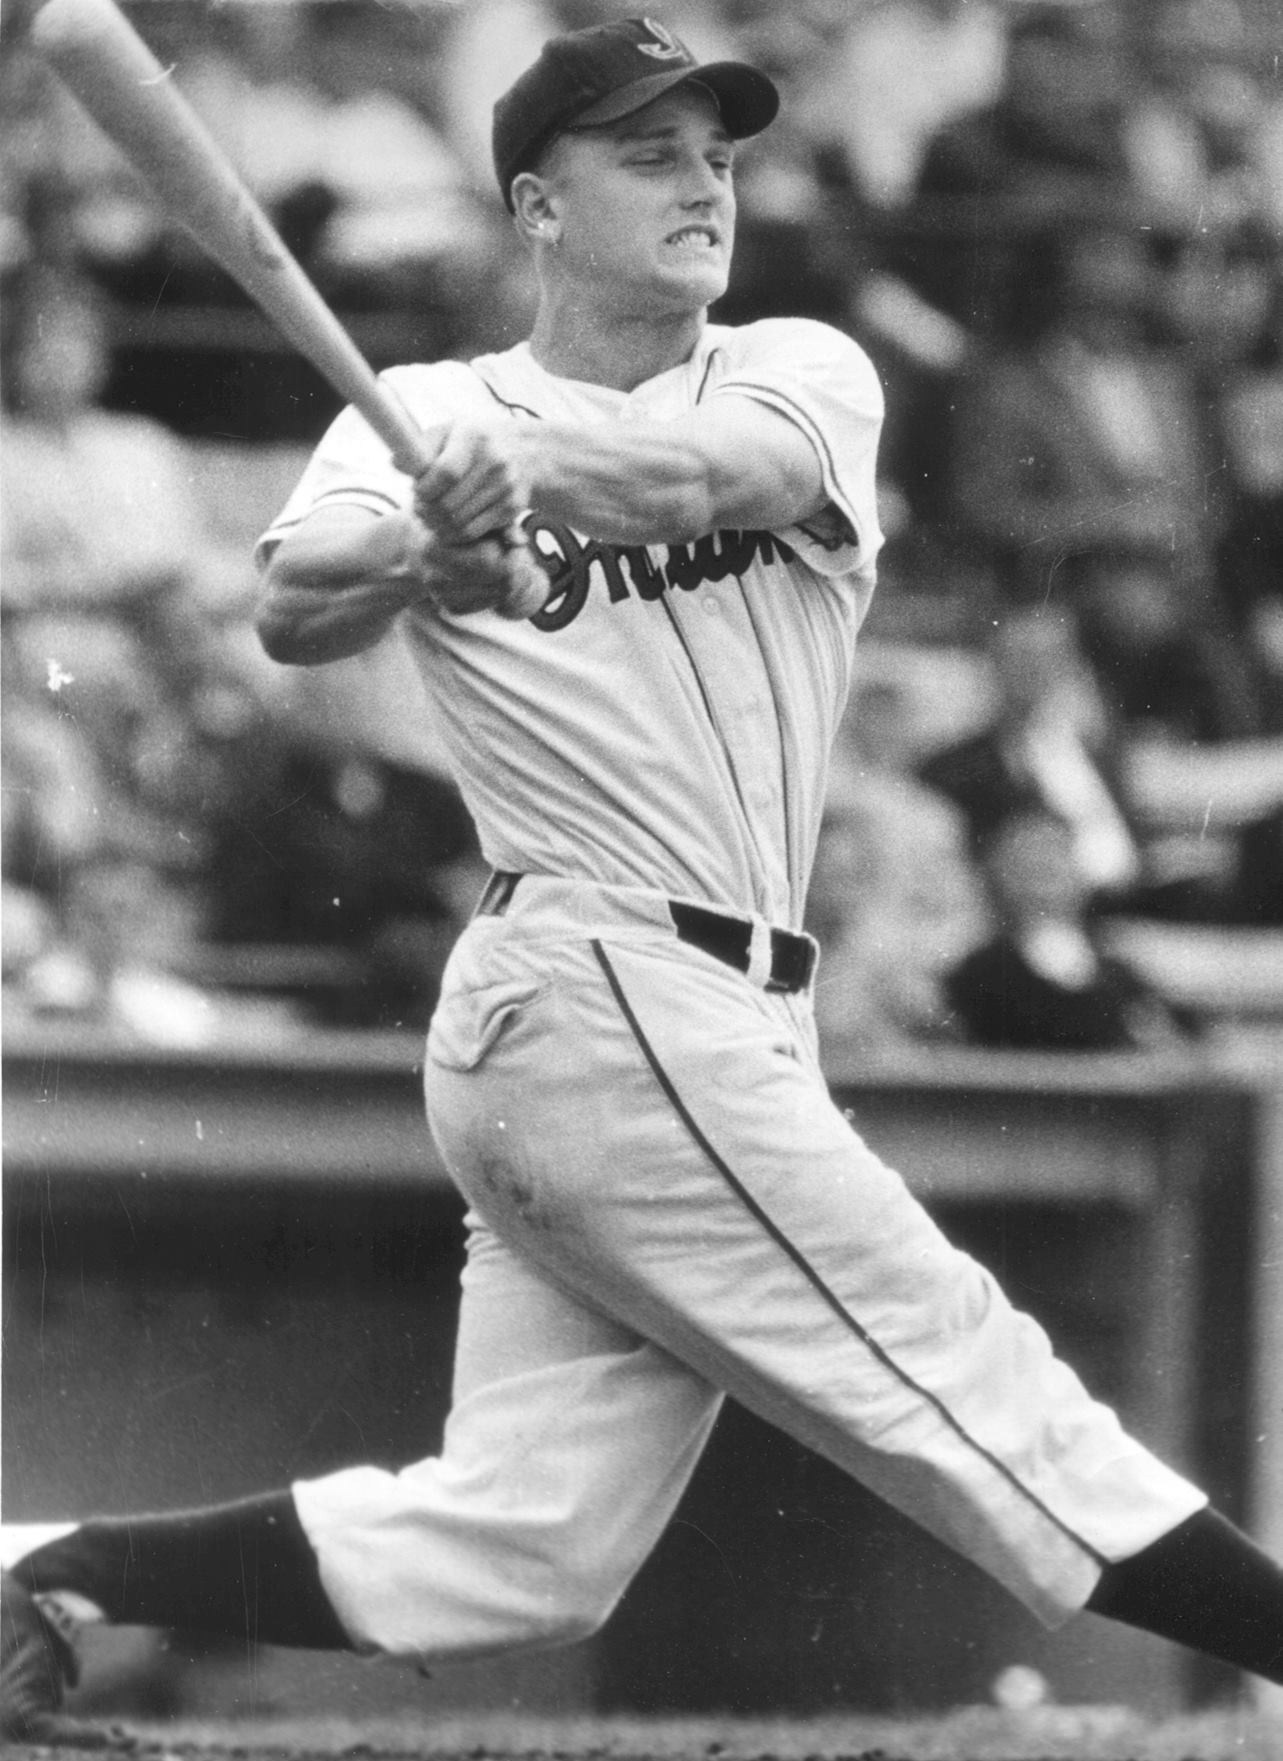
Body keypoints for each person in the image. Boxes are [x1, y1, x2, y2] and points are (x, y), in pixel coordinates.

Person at [4, 16, 1283, 1740]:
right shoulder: (437, 413)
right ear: (538, 202)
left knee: (523, 1549)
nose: (704, 184)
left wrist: (525, 481)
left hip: (702, 1011)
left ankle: (39, 1561)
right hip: (597, 983)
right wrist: (421, 542)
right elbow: (295, 605)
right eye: (649, 152)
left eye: (720, 155)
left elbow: (714, 474)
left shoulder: (802, 369)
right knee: (975, 1379)